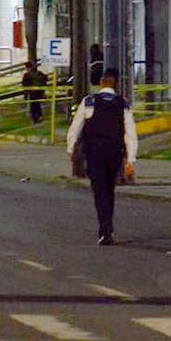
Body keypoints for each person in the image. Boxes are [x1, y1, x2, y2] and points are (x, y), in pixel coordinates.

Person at [66, 67, 138, 245]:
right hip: (115, 153)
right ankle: (108, 228)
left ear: (101, 82)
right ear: (116, 84)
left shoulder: (89, 101)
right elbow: (130, 134)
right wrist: (131, 159)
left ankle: (105, 229)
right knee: (109, 190)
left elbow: (75, 128)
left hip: (95, 153)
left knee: (99, 191)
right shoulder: (123, 104)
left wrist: (71, 150)